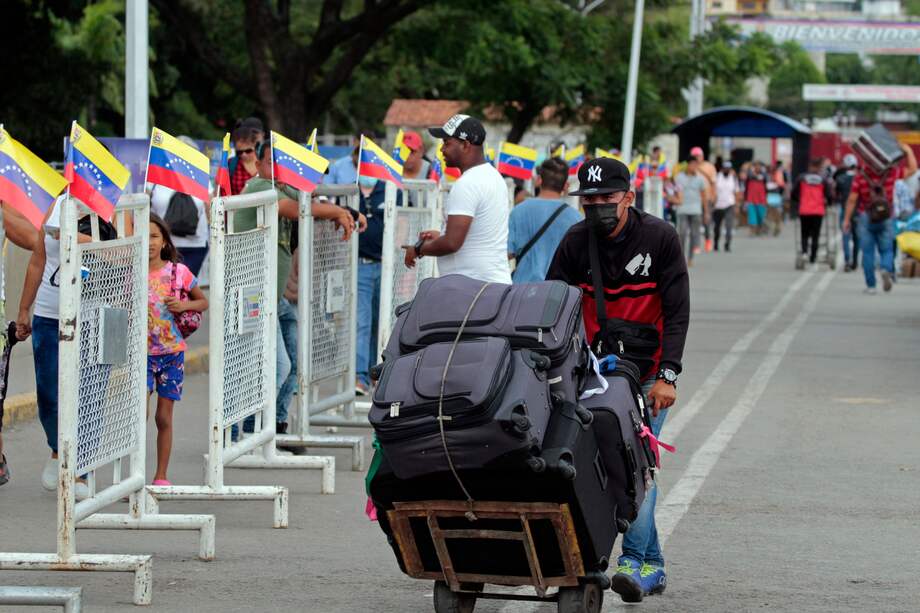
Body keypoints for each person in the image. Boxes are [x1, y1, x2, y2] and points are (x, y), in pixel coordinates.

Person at [546, 157, 689, 603]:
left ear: (628, 196)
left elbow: (678, 310)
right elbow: (553, 306)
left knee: (632, 464)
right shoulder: (574, 242)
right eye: (589, 200)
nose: (597, 206)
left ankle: (631, 561)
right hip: (595, 373)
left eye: (607, 198)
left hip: (648, 377)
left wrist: (668, 375)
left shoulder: (660, 238)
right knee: (605, 463)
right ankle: (655, 565)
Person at [238, 140, 360, 432]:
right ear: (258, 164)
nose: (278, 171)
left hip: (275, 296)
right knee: (274, 367)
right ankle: (252, 429)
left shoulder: (282, 186)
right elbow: (297, 209)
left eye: (284, 166)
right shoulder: (258, 187)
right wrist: (337, 213)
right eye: (271, 163)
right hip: (252, 292)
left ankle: (276, 426)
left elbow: (312, 198)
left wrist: (350, 214)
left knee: (294, 363)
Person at [16, 197, 102, 500]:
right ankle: (57, 448)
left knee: (89, 394)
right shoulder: (57, 205)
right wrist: (24, 310)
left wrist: (74, 236)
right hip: (49, 316)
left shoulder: (114, 206)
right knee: (49, 393)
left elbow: (124, 252)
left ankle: (81, 469)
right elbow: (38, 261)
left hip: (95, 315)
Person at [404, 114, 511, 284]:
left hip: (472, 289)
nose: (441, 150)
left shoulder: (468, 183)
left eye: (447, 143)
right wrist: (442, 235)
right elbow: (480, 234)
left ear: (465, 145)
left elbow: (452, 243)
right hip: (489, 284)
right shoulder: (493, 176)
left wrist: (417, 248)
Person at [147, 214, 209, 485]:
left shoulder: (178, 272)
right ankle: (133, 477)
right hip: (141, 355)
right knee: (139, 414)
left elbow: (203, 302)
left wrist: (183, 306)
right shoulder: (129, 272)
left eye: (154, 236)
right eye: (144, 236)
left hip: (172, 354)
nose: (149, 242)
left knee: (163, 416)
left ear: (164, 242)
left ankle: (161, 475)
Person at [843, 144, 918, 294]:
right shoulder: (892, 173)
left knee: (868, 252)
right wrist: (908, 151)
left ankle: (871, 286)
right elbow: (913, 170)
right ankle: (886, 268)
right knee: (887, 249)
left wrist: (846, 219)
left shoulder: (860, 176)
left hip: (866, 216)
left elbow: (852, 199)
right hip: (886, 216)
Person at [354, 177, 403, 396]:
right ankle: (360, 377)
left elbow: (401, 224)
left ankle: (378, 374)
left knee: (381, 323)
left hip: (385, 266)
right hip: (360, 266)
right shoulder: (352, 191)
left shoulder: (391, 190)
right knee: (361, 322)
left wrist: (395, 258)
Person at [507, 158, 582, 283]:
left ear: (538, 180)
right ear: (565, 185)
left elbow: (508, 253)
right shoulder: (576, 217)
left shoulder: (518, 211)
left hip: (522, 288)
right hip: (558, 292)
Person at [791, 158, 832, 270]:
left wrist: (799, 200)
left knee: (804, 233)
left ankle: (804, 253)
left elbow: (793, 193)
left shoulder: (801, 178)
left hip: (804, 209)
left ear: (810, 166)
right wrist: (828, 202)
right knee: (816, 234)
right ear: (819, 167)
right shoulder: (823, 179)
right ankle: (813, 258)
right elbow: (829, 195)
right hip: (818, 211)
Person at [673, 157, 709, 267]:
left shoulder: (700, 179)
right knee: (682, 233)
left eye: (696, 165)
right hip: (682, 209)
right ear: (688, 165)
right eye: (692, 165)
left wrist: (706, 212)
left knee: (694, 235)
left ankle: (690, 258)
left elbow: (704, 196)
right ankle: (681, 257)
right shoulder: (679, 177)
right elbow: (676, 191)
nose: (694, 167)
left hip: (696, 210)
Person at [833, 154, 860, 272]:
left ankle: (847, 260)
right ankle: (855, 261)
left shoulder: (840, 178)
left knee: (845, 236)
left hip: (845, 209)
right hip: (858, 210)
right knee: (857, 237)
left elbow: (835, 193)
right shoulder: (859, 178)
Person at [690, 146, 716, 252]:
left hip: (707, 197)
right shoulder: (690, 167)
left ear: (702, 156)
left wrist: (714, 195)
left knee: (706, 221)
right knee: (695, 222)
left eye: (698, 156)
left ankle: (708, 240)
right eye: (694, 156)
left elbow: (713, 182)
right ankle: (696, 245)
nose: (697, 158)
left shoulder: (709, 166)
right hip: (695, 199)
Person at [229, 118, 263, 196]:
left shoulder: (264, 162)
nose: (244, 154)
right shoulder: (231, 164)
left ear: (255, 145)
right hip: (236, 207)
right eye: (239, 152)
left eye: (248, 151)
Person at [713, 161, 739, 252]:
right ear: (722, 168)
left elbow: (736, 192)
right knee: (717, 227)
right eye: (725, 168)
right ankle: (716, 243)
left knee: (729, 226)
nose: (727, 170)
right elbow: (713, 190)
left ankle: (727, 244)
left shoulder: (733, 178)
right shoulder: (717, 177)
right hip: (718, 205)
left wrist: (737, 206)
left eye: (728, 168)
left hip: (729, 205)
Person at [742, 161, 769, 235]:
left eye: (759, 166)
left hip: (761, 199)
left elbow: (767, 186)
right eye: (756, 166)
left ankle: (760, 229)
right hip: (751, 198)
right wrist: (745, 198)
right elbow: (746, 185)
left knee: (761, 215)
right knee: (752, 215)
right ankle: (752, 230)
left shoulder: (764, 176)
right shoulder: (749, 175)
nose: (757, 167)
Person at [767, 161, 786, 236]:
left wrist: (780, 194)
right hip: (771, 195)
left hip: (775, 195)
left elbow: (781, 185)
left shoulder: (778, 174)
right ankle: (776, 226)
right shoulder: (769, 175)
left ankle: (777, 225)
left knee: (775, 211)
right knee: (772, 211)